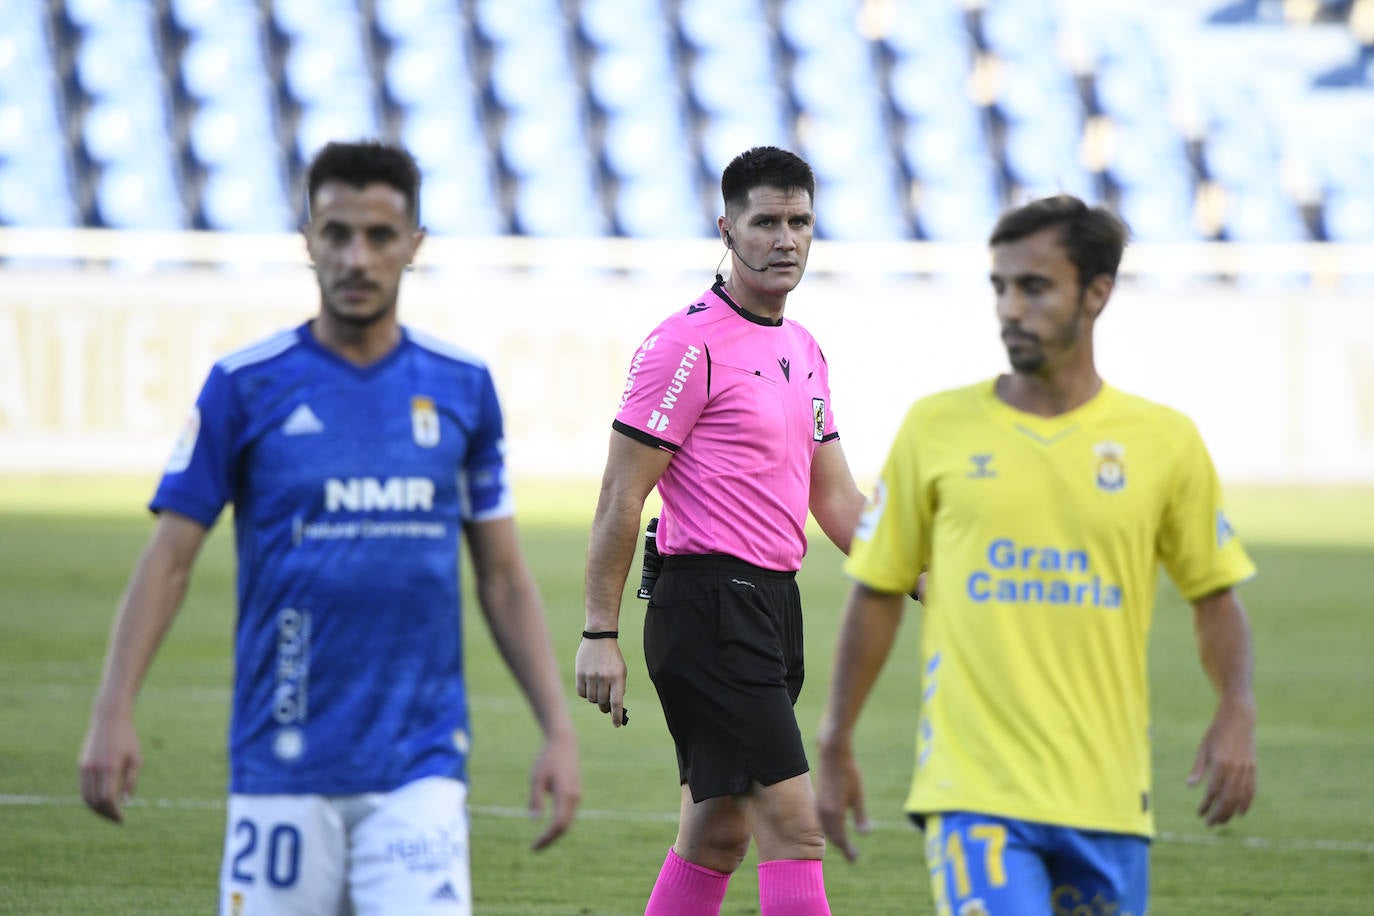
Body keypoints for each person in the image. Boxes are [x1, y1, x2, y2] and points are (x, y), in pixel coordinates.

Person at [77, 140, 581, 915]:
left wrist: (557, 728)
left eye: (380, 236)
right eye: (336, 233)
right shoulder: (244, 386)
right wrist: (113, 711)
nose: (357, 257)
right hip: (280, 766)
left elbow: (503, 576)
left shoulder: (463, 388)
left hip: (421, 771)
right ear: (307, 241)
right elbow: (168, 560)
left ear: (413, 247)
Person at [815, 193, 1258, 914]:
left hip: (1109, 799)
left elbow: (1215, 596)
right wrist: (835, 740)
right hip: (974, 792)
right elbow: (875, 593)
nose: (1011, 308)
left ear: (1097, 293)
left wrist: (1236, 706)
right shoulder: (936, 428)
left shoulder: (1164, 442)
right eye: (1000, 286)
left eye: (1035, 286)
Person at [574, 146, 866, 916]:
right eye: (765, 221)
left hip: (771, 606)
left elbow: (835, 499)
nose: (785, 239)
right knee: (796, 830)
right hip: (707, 608)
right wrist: (598, 630)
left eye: (799, 221)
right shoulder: (685, 344)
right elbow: (619, 494)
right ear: (726, 228)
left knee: (715, 835)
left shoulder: (802, 350)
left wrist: (928, 576)